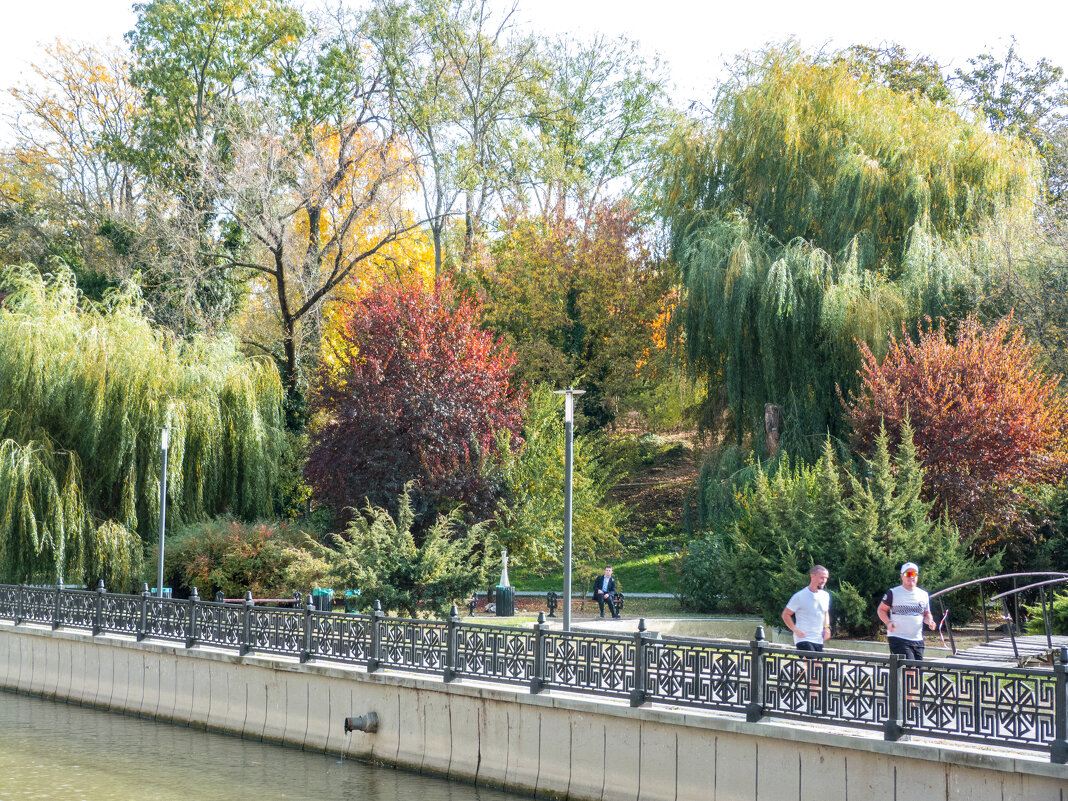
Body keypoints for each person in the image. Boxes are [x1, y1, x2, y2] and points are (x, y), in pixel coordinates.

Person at [877, 562, 936, 660]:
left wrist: (930, 621)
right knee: (909, 668)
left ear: (917, 576)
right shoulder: (893, 593)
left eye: (914, 574)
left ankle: (898, 676)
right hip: (898, 637)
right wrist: (888, 622)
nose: (911, 577)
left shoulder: (923, 594)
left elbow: (926, 614)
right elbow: (881, 610)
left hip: (917, 639)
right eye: (907, 574)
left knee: (917, 670)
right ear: (902, 576)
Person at [781, 565, 831, 651]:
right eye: (821, 578)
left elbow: (825, 612)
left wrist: (826, 628)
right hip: (803, 639)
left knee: (818, 664)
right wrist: (795, 630)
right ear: (812, 576)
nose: (824, 581)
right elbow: (786, 614)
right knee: (813, 663)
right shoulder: (799, 596)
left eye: (826, 578)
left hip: (818, 639)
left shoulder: (825, 596)